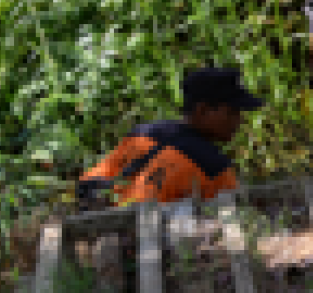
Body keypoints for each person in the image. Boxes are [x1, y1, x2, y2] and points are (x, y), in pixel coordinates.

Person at [77, 67, 263, 206]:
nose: (239, 120)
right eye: (232, 112)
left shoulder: (142, 133)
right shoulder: (213, 167)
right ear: (202, 110)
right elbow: (241, 211)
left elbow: (88, 183)